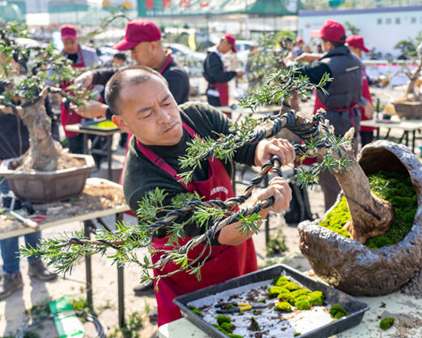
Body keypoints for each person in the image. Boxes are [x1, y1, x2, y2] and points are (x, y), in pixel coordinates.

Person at [106, 66, 294, 326]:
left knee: (252, 322)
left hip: (237, 252)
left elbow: (243, 146)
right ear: (123, 123)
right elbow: (220, 232)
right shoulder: (142, 185)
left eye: (166, 102)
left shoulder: (198, 117)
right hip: (189, 276)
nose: (164, 117)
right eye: (147, 113)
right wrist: (259, 205)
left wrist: (265, 146)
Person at [0, 48, 58, 301]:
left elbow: (48, 119)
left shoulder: (32, 88)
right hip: (1, 164)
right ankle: (11, 274)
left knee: (31, 213)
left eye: (15, 57)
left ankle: (36, 263)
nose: (12, 63)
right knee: (6, 221)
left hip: (32, 161)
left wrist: (52, 143)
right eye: (5, 57)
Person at [293, 20, 363, 210]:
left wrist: (290, 62)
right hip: (351, 126)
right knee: (350, 178)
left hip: (330, 129)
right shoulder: (356, 61)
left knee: (330, 182)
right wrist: (315, 56)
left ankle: (334, 228)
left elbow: (294, 74)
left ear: (329, 44)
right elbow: (339, 60)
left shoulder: (323, 68)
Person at [72, 19, 190, 120]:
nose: (132, 57)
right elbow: (122, 76)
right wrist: (92, 76)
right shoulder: (149, 68)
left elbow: (149, 117)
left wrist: (102, 111)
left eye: (134, 50)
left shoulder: (174, 76)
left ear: (152, 46)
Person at [59, 25, 100, 155]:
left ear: (77, 40)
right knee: (74, 140)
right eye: (66, 42)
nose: (69, 45)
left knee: (97, 138)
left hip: (90, 101)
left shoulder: (90, 55)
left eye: (72, 42)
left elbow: (100, 77)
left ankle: (99, 163)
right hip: (70, 105)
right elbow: (49, 80)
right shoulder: (58, 58)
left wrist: (93, 94)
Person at [346, 35, 375, 147]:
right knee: (352, 142)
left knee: (368, 141)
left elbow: (365, 81)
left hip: (366, 109)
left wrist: (378, 81)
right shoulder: (346, 65)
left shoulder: (359, 64)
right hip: (355, 108)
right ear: (351, 48)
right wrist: (363, 103)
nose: (360, 53)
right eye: (359, 50)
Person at [203, 34, 244, 108]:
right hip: (215, 94)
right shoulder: (213, 56)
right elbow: (219, 76)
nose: (229, 50)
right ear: (225, 42)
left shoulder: (216, 55)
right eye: (230, 47)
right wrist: (235, 73)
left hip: (217, 92)